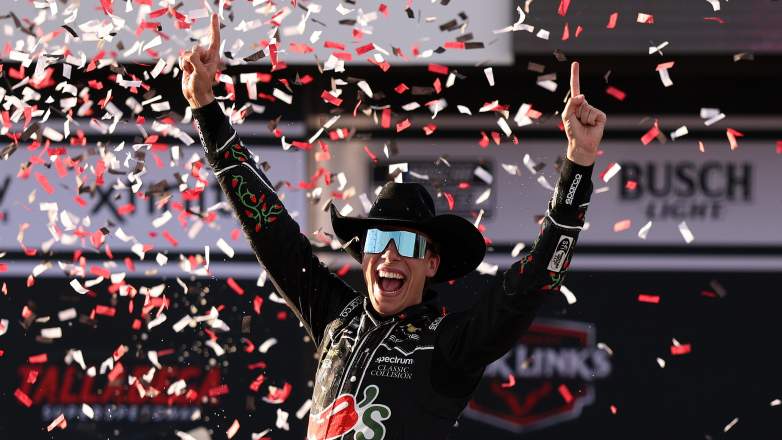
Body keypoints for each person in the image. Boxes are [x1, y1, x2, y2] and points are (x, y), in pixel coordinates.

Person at [180, 14, 606, 440]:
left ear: (432, 263)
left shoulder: (450, 345)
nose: (389, 254)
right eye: (380, 240)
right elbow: (270, 232)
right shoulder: (336, 316)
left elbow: (530, 284)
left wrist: (580, 163)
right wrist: (204, 107)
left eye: (405, 242)